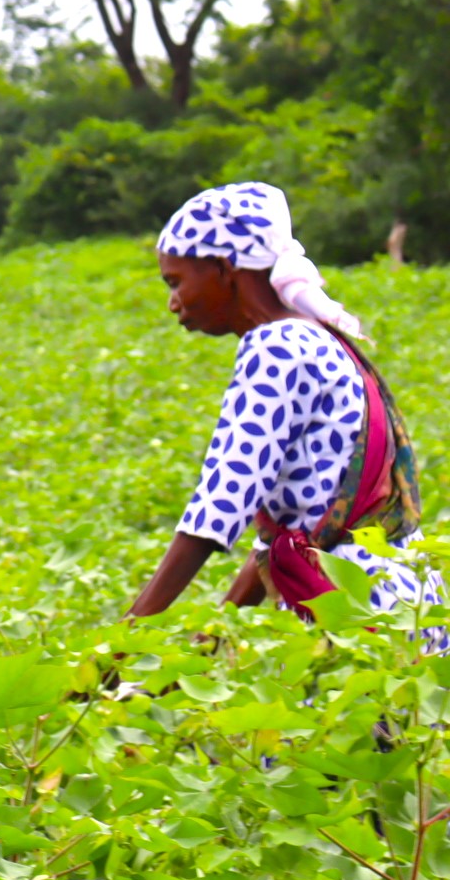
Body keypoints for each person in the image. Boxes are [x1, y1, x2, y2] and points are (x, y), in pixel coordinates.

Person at [128, 181, 445, 649]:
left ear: (224, 269)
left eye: (175, 282)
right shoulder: (313, 336)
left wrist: (120, 646)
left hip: (357, 611)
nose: (173, 302)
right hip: (402, 606)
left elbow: (219, 507)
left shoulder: (276, 348)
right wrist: (208, 645)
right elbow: (282, 537)